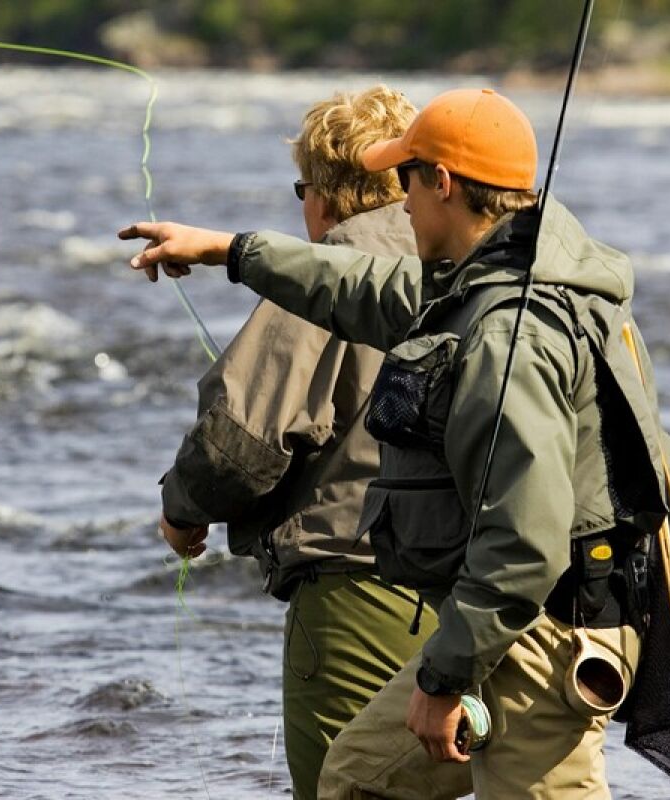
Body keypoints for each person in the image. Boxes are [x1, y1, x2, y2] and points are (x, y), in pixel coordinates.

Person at [123, 88, 670, 799]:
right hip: (518, 617)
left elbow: (525, 542)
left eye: (407, 181)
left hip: (544, 633)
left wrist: (446, 679)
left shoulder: (509, 336)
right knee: (358, 781)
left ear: (441, 182)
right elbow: (361, 286)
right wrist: (229, 251)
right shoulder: (489, 283)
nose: (400, 203)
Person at [152, 85, 470, 800]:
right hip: (480, 602)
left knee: (345, 788)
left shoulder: (334, 268)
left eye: (304, 190)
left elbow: (239, 443)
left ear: (325, 196)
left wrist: (180, 510)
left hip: (357, 597)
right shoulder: (470, 263)